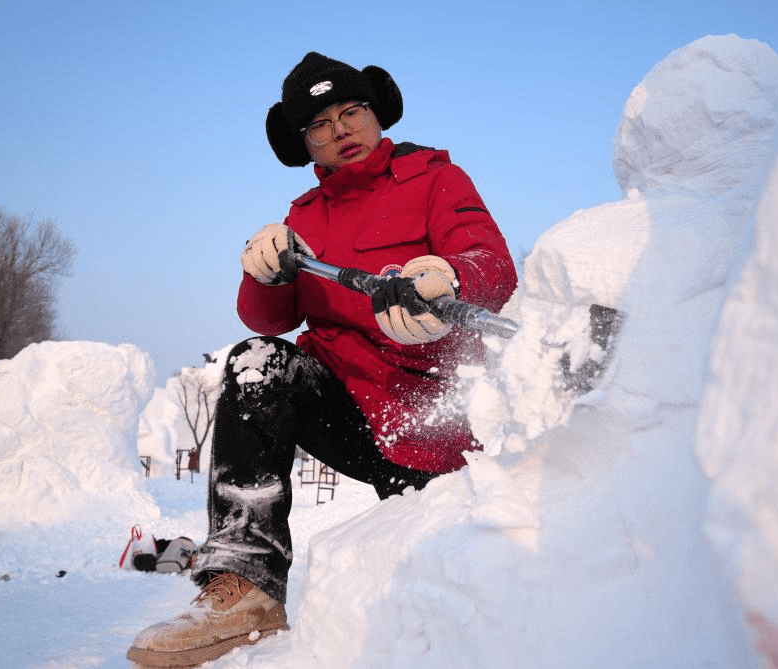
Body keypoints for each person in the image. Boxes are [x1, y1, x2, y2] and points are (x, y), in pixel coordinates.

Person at [126, 52, 517, 667]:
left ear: (376, 112)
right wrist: (262, 273)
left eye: (351, 111)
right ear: (303, 143)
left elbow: (491, 265)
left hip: (431, 423)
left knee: (452, 560)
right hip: (345, 409)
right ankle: (247, 587)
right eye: (320, 123)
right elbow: (268, 322)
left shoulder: (435, 177)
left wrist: (448, 281)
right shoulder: (303, 217)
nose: (340, 129)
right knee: (258, 361)